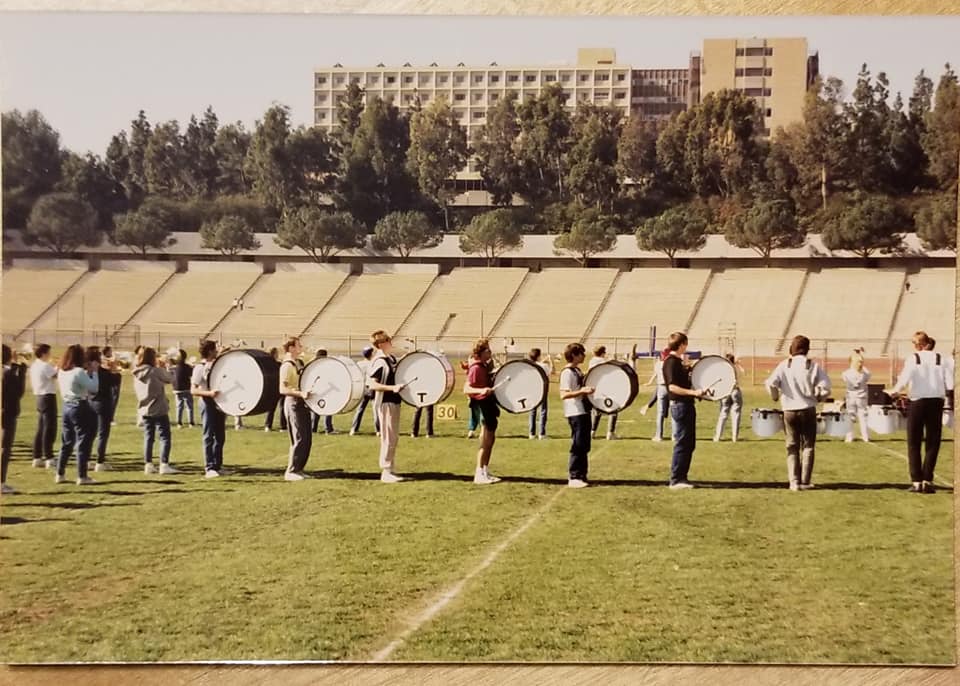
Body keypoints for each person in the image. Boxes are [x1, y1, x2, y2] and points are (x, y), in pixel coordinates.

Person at [889, 331, 954, 494]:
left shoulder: (914, 358)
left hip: (918, 402)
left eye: (915, 343)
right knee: (933, 441)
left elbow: (904, 378)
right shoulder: (941, 358)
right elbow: (950, 383)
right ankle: (928, 479)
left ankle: (917, 480)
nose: (914, 347)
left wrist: (894, 391)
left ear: (922, 344)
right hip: (936, 402)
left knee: (914, 442)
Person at [765, 335, 831, 492]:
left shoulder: (784, 365)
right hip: (808, 409)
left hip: (789, 410)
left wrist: (775, 396)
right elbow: (826, 387)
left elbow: (770, 383)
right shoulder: (812, 366)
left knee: (792, 446)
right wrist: (819, 397)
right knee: (808, 446)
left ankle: (793, 482)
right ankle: (805, 481)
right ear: (806, 349)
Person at [663, 332, 707, 489]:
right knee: (683, 443)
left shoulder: (678, 362)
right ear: (681, 344)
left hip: (686, 404)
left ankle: (682, 477)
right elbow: (672, 387)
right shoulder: (671, 362)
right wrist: (693, 393)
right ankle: (676, 479)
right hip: (680, 405)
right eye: (685, 344)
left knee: (689, 444)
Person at [54, 344, 100, 485]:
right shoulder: (78, 372)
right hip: (80, 406)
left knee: (67, 442)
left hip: (67, 406)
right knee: (84, 441)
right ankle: (82, 476)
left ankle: (60, 473)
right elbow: (93, 388)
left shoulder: (62, 371)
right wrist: (94, 372)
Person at [133, 347, 180, 475]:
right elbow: (171, 379)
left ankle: (148, 464)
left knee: (148, 437)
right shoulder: (155, 371)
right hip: (158, 407)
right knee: (164, 437)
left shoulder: (137, 373)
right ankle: (164, 464)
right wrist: (165, 367)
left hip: (144, 408)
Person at [368, 330, 407, 483]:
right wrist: (392, 388)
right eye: (388, 341)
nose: (391, 343)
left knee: (393, 437)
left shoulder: (389, 359)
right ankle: (386, 470)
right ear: (381, 344)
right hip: (385, 402)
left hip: (394, 401)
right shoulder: (379, 361)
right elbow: (372, 384)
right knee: (388, 437)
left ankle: (390, 468)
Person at [464, 338, 501, 485]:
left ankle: (485, 470)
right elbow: (466, 389)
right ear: (480, 353)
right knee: (485, 441)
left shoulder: (484, 366)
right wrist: (482, 390)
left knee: (490, 440)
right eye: (487, 350)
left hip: (489, 405)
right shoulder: (476, 368)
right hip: (482, 405)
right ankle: (479, 473)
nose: (490, 352)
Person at [559, 342, 594, 488]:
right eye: (581, 353)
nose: (584, 356)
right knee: (578, 444)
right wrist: (582, 392)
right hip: (575, 411)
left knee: (584, 445)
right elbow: (563, 394)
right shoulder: (567, 373)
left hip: (583, 410)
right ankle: (574, 476)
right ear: (573, 355)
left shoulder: (577, 370)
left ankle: (582, 474)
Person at [279, 337, 313, 481]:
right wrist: (300, 393)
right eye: (299, 345)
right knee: (298, 437)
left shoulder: (296, 363)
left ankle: (299, 469)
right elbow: (282, 388)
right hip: (293, 402)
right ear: (291, 348)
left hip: (300, 402)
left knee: (306, 438)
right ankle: (291, 470)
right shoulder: (287, 365)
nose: (301, 347)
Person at [191, 340, 226, 478]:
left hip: (218, 403)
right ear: (210, 351)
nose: (217, 350)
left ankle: (217, 466)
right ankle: (209, 467)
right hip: (207, 402)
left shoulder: (215, 364)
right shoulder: (200, 368)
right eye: (215, 349)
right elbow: (193, 390)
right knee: (208, 435)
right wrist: (209, 393)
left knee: (220, 437)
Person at [2, 344, 27, 494]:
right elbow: (19, 392)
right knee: (5, 448)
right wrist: (22, 370)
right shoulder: (7, 373)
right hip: (7, 412)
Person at [28, 343, 58, 469]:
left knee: (41, 428)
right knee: (49, 429)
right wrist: (59, 366)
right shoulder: (45, 366)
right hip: (47, 397)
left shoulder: (35, 365)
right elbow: (55, 375)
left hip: (40, 397)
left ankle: (37, 456)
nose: (50, 355)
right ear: (44, 353)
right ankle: (49, 457)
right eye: (49, 352)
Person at [86, 346, 115, 472]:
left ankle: (86, 459)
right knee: (103, 433)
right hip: (102, 403)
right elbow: (115, 381)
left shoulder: (86, 371)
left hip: (89, 402)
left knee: (89, 433)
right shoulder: (102, 372)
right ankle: (100, 461)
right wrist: (113, 369)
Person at [588, 345, 619, 440]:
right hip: (607, 387)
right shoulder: (604, 362)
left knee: (597, 410)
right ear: (602, 353)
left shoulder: (591, 361)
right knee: (613, 409)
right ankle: (610, 432)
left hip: (596, 387)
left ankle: (592, 431)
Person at [640, 348, 671, 442]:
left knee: (660, 413)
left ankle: (659, 435)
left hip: (661, 386)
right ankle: (675, 435)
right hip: (671, 387)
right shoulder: (670, 364)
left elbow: (655, 374)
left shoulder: (658, 364)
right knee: (673, 410)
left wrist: (650, 382)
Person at [713, 353, 745, 442]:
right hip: (735, 390)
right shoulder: (735, 368)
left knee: (723, 414)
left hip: (725, 391)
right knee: (736, 414)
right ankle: (735, 437)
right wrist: (738, 364)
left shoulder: (723, 369)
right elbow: (743, 373)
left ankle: (718, 436)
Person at [841, 352, 871, 443]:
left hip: (851, 397)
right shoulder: (865, 373)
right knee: (863, 417)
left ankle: (849, 437)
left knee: (850, 416)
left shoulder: (846, 373)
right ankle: (866, 436)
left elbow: (844, 377)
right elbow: (868, 374)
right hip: (861, 397)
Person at [350, 346, 380, 436]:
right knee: (376, 409)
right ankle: (378, 430)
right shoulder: (374, 363)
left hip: (363, 388)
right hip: (372, 387)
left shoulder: (359, 364)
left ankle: (353, 429)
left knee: (360, 409)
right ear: (371, 354)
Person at [311, 349, 339, 435]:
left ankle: (313, 428)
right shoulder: (326, 365)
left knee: (316, 409)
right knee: (328, 409)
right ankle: (328, 428)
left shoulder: (313, 365)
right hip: (326, 390)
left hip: (316, 390)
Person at [527, 348, 553, 440]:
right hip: (542, 389)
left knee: (532, 411)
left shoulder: (529, 365)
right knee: (543, 410)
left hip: (532, 389)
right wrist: (550, 361)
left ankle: (531, 433)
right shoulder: (543, 365)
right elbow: (550, 371)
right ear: (538, 356)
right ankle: (542, 433)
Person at [263, 347, 286, 432]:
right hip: (278, 388)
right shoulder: (279, 364)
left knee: (271, 409)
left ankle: (268, 425)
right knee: (282, 408)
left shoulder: (266, 365)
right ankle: (283, 426)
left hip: (272, 389)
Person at [171, 349, 195, 429]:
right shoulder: (187, 367)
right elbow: (192, 373)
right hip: (187, 388)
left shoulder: (174, 368)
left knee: (179, 406)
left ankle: (179, 423)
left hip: (177, 389)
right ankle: (191, 422)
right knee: (189, 406)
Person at [102, 345, 123, 426]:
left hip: (116, 378)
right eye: (110, 351)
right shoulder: (104, 360)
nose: (111, 353)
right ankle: (109, 418)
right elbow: (107, 368)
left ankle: (111, 417)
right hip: (111, 380)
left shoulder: (110, 359)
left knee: (114, 399)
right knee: (112, 399)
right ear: (106, 352)